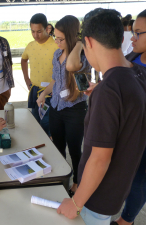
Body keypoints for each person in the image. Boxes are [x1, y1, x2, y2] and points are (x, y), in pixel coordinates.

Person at [57, 8, 146, 225]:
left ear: (89, 42)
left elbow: (99, 159)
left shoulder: (109, 91)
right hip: (116, 192)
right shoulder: (136, 73)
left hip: (95, 198)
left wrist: (76, 202)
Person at [37, 15, 90, 196]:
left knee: (75, 150)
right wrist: (44, 93)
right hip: (56, 108)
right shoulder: (57, 54)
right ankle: (61, 177)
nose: (56, 42)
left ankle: (77, 182)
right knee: (57, 147)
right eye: (55, 38)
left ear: (71, 36)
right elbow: (55, 80)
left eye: (60, 38)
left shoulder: (83, 56)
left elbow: (71, 66)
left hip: (75, 110)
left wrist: (79, 44)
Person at [110, 9, 146, 225]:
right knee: (129, 175)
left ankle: (126, 220)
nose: (132, 38)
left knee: (140, 179)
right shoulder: (132, 57)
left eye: (138, 33)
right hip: (130, 132)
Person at [21, 13, 58, 137]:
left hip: (50, 93)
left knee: (47, 127)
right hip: (35, 90)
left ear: (47, 28)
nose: (35, 35)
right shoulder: (30, 46)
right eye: (32, 31)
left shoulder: (56, 46)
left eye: (39, 31)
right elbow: (23, 60)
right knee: (35, 124)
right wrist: (26, 79)